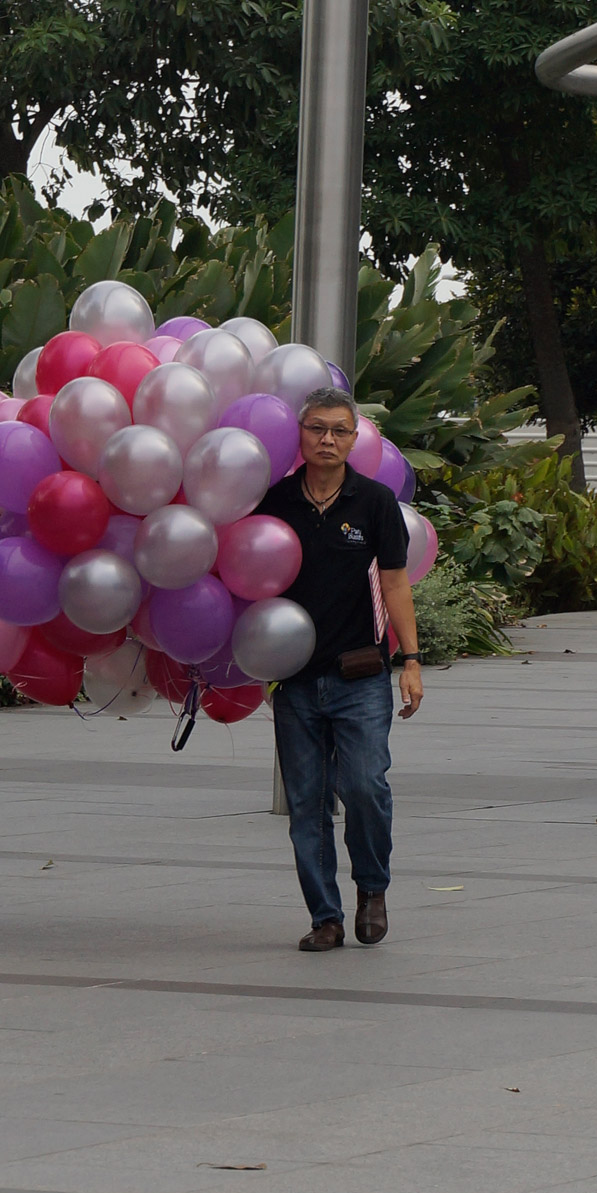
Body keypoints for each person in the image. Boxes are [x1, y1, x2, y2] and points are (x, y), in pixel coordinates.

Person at [258, 386, 423, 952]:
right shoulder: (273, 502)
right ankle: (324, 916)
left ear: (354, 439)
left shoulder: (374, 502)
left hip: (361, 675)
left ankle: (372, 889)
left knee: (365, 785)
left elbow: (396, 582)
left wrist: (411, 659)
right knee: (307, 803)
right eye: (316, 429)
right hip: (296, 677)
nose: (327, 439)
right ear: (299, 435)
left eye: (340, 431)